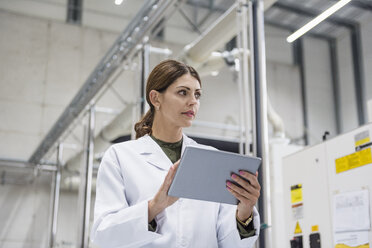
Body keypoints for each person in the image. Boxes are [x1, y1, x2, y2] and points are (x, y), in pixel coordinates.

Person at [90, 59, 261, 248]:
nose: (193, 101)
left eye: (197, 95)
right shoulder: (120, 157)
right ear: (156, 98)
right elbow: (103, 236)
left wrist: (245, 211)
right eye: (183, 92)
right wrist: (154, 207)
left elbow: (230, 243)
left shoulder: (212, 160)